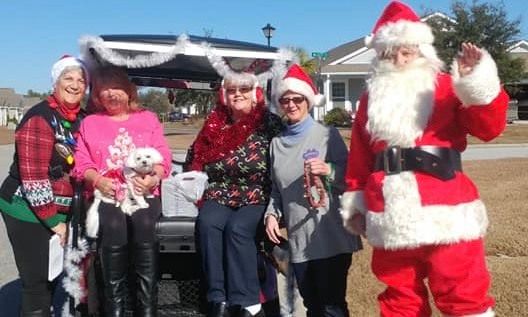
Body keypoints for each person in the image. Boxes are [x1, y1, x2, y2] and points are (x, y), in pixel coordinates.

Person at [340, 2, 509, 317]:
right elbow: (360, 156)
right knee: (399, 299)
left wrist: (477, 85)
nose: (399, 59)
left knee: (463, 296)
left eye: (406, 51)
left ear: (422, 51)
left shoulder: (447, 86)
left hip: (447, 211)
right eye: (390, 53)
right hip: (389, 211)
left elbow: (489, 128)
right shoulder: (370, 99)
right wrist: (356, 201)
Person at [264, 64, 362, 317]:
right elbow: (277, 188)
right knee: (312, 306)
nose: (291, 104)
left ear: (307, 101)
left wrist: (328, 170)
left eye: (297, 99)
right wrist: (272, 215)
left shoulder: (327, 135)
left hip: (330, 235)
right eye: (285, 100)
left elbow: (353, 178)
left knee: (332, 307)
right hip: (299, 237)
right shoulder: (276, 144)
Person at [73, 66, 172, 316]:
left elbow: (164, 158)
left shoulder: (148, 118)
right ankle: (114, 307)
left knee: (145, 221)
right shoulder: (90, 123)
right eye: (104, 89)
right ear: (96, 95)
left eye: (116, 87)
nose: (111, 93)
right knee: (114, 225)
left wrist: (153, 179)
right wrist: (97, 180)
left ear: (129, 91)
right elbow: (82, 163)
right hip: (107, 193)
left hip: (144, 191)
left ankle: (146, 308)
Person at [187, 72, 282, 317]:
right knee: (208, 223)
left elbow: (284, 159)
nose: (237, 94)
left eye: (244, 89)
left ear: (255, 94)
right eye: (231, 90)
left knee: (238, 228)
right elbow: (195, 157)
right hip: (220, 191)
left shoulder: (269, 123)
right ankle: (218, 297)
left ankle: (248, 299)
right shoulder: (214, 124)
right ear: (224, 96)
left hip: (257, 192)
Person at [0, 56, 89, 316]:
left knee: (50, 276)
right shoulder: (40, 118)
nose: (74, 85)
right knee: (36, 282)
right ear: (56, 82)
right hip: (26, 209)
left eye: (80, 80)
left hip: (59, 211)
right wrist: (54, 223)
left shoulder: (80, 118)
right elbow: (34, 179)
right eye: (68, 78)